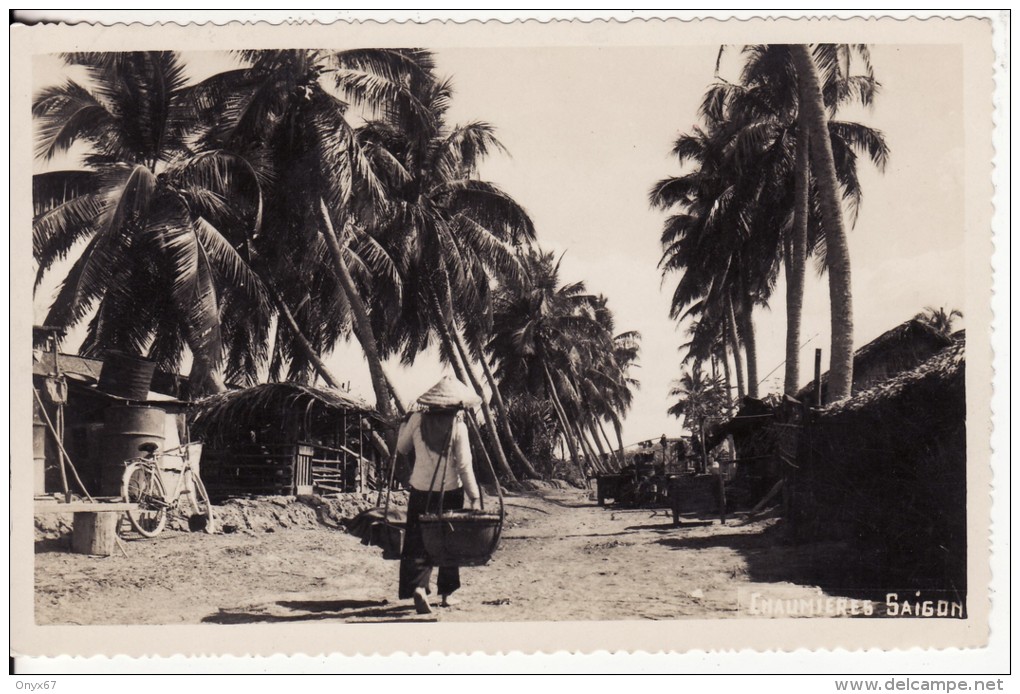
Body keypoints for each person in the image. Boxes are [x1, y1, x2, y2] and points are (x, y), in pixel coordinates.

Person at [396, 375, 482, 615]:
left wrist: (405, 425)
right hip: (449, 493)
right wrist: (474, 496)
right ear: (456, 405)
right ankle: (446, 594)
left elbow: (402, 448)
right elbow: (464, 466)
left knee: (417, 542)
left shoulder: (416, 419)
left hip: (420, 491)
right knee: (448, 543)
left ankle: (419, 588)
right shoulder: (458, 426)